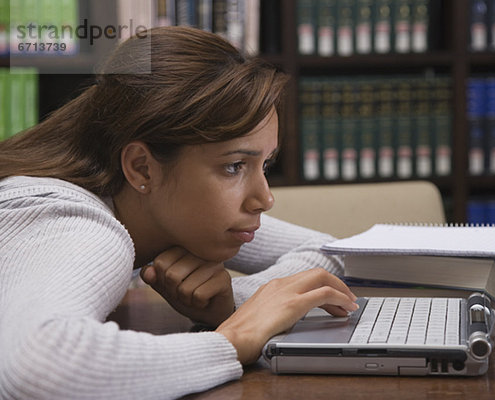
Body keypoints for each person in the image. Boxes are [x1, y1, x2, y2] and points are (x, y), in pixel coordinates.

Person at [0, 26, 358, 399]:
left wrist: (235, 301)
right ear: (142, 168)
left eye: (264, 165)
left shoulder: (152, 208)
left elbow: (333, 254)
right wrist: (239, 336)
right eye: (235, 166)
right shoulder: (76, 224)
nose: (264, 199)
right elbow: (39, 367)